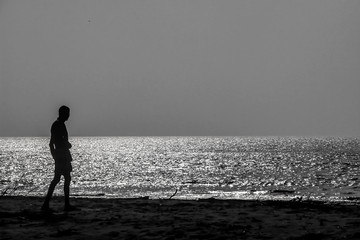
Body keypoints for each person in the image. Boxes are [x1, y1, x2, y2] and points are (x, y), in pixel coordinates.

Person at [42, 105, 77, 212]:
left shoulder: (60, 125)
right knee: (62, 179)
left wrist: (65, 145)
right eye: (67, 114)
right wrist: (55, 156)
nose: (68, 116)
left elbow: (57, 141)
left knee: (60, 179)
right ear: (62, 114)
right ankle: (63, 204)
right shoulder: (58, 125)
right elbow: (53, 143)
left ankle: (49, 203)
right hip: (61, 155)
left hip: (63, 155)